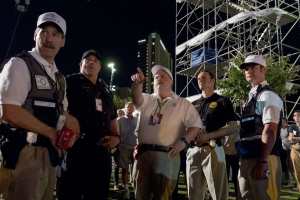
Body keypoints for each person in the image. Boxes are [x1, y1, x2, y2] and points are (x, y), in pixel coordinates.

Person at [0, 12, 80, 200]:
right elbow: (9, 111)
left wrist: (71, 128)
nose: (49, 38)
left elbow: (61, 112)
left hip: (50, 156)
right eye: (44, 32)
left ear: (63, 41)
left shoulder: (59, 77)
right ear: (35, 34)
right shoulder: (19, 64)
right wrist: (50, 132)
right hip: (23, 154)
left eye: (55, 34)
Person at [131, 65, 202, 200]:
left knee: (163, 196)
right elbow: (136, 99)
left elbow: (196, 126)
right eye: (156, 77)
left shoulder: (182, 103)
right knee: (140, 195)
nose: (159, 79)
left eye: (163, 76)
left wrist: (183, 142)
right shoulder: (147, 98)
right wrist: (137, 84)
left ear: (171, 81)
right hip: (143, 155)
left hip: (167, 155)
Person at [57, 49, 120, 200]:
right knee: (70, 194)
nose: (91, 62)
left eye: (95, 60)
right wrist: (66, 117)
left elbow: (112, 118)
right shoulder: (68, 82)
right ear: (80, 64)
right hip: (75, 151)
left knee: (98, 194)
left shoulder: (105, 90)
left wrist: (116, 138)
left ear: (100, 67)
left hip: (101, 153)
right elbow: (55, 106)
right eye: (87, 59)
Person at [186, 69, 240, 200]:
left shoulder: (223, 101)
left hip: (213, 149)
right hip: (193, 150)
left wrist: (209, 135)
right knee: (193, 194)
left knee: (218, 193)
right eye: (198, 79)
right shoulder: (193, 104)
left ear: (212, 81)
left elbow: (233, 127)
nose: (200, 81)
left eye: (204, 78)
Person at [237, 55, 283, 200]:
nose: (247, 70)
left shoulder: (267, 94)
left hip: (263, 158)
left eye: (252, 66)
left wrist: (263, 162)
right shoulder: (253, 96)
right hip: (248, 158)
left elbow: (270, 129)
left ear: (263, 69)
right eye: (245, 68)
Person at [117, 102, 138, 199]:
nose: (130, 109)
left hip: (134, 148)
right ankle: (126, 189)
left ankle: (134, 187)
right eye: (128, 107)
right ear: (125, 109)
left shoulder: (137, 120)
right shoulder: (119, 120)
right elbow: (117, 133)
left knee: (135, 169)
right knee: (124, 169)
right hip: (123, 147)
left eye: (131, 107)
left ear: (134, 109)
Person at [288, 110, 300, 194]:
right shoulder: (292, 126)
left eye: (299, 115)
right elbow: (290, 138)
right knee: (297, 172)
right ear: (293, 118)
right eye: (295, 115)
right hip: (295, 151)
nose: (297, 117)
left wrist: (295, 138)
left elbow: (293, 138)